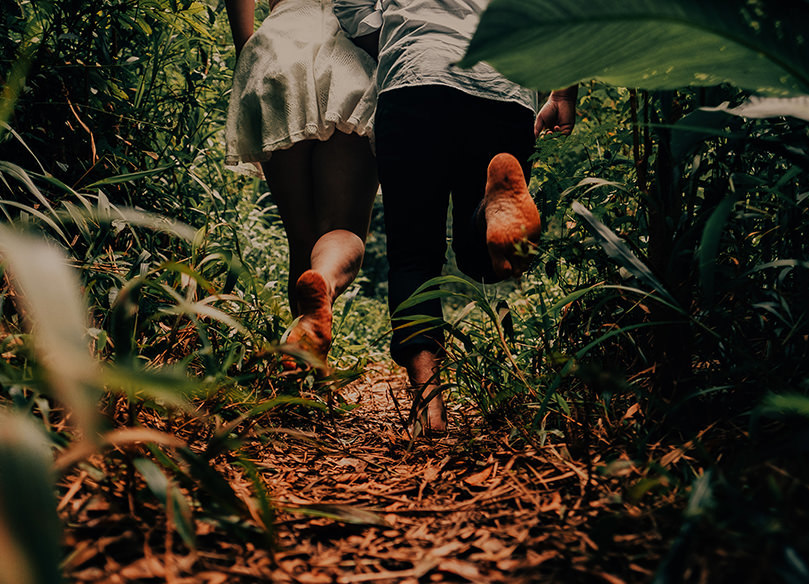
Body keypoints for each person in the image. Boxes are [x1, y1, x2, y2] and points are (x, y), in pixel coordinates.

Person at [332, 0, 577, 435]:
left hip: (415, 74)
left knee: (413, 254)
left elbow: (351, 7)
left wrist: (390, 37)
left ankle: (430, 407)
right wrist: (561, 91)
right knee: (481, 256)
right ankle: (494, 213)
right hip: (505, 87)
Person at [224, 0, 380, 370]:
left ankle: (301, 368)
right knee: (342, 229)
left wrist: (248, 51)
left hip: (280, 48)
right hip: (352, 55)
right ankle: (324, 282)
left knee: (301, 236)